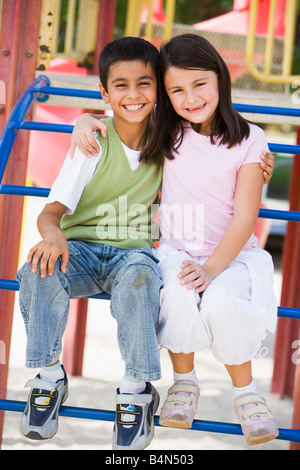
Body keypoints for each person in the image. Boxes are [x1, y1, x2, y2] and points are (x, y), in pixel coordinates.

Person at [70, 34, 278, 447]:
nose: (190, 98)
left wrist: (212, 269)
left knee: (222, 302)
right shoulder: (166, 131)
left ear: (219, 78)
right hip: (177, 248)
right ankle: (185, 382)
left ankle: (246, 395)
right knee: (176, 296)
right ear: (165, 97)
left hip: (231, 256)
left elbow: (245, 217)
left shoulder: (250, 140)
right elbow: (122, 122)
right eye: (176, 90)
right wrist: (86, 119)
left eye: (199, 84)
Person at [16, 36, 164, 451]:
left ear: (158, 88)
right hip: (79, 249)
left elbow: (217, 146)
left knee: (140, 277)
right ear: (105, 93)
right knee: (35, 269)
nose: (133, 94)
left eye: (144, 83)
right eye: (121, 85)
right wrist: (53, 236)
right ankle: (49, 378)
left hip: (132, 254)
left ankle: (135, 391)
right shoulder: (92, 142)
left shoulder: (170, 141)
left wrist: (255, 161)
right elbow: (50, 213)